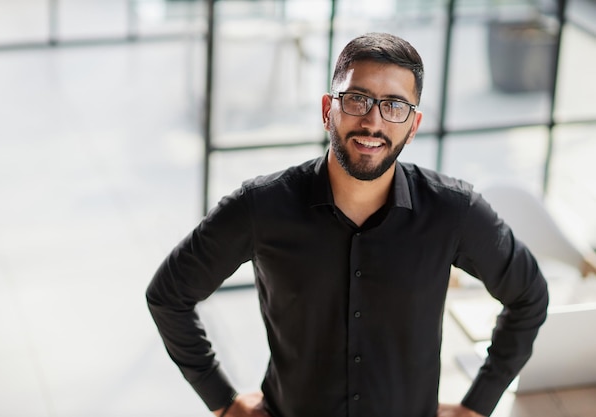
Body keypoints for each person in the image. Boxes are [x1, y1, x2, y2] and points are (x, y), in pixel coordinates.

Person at [146, 32, 549, 417]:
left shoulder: (453, 211)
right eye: (358, 99)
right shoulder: (261, 207)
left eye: (394, 106)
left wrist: (479, 403)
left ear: (413, 127)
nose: (373, 122)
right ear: (328, 110)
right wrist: (223, 401)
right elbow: (168, 295)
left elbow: (529, 296)